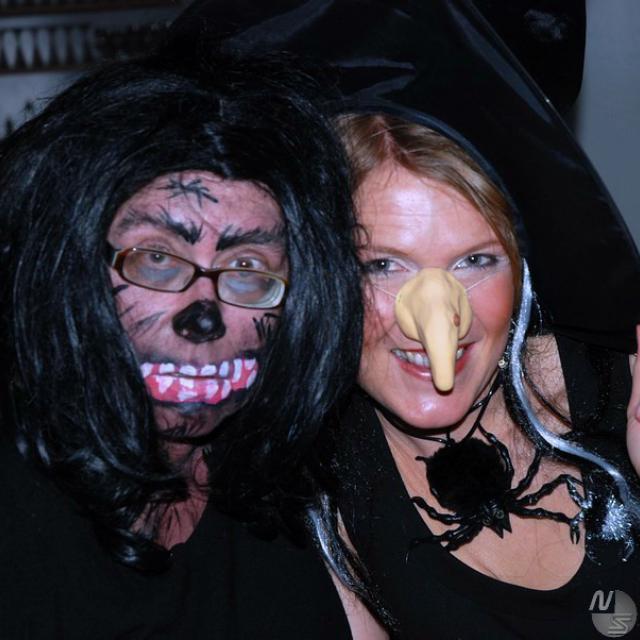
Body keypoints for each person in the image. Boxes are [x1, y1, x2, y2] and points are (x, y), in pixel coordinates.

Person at [165, 1, 640, 637]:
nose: (435, 321)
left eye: (475, 260)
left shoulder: (620, 389)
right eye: (383, 265)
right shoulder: (300, 496)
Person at [0, 52, 363, 638]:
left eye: (247, 268)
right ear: (72, 272)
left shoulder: (298, 496)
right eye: (156, 258)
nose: (203, 317)